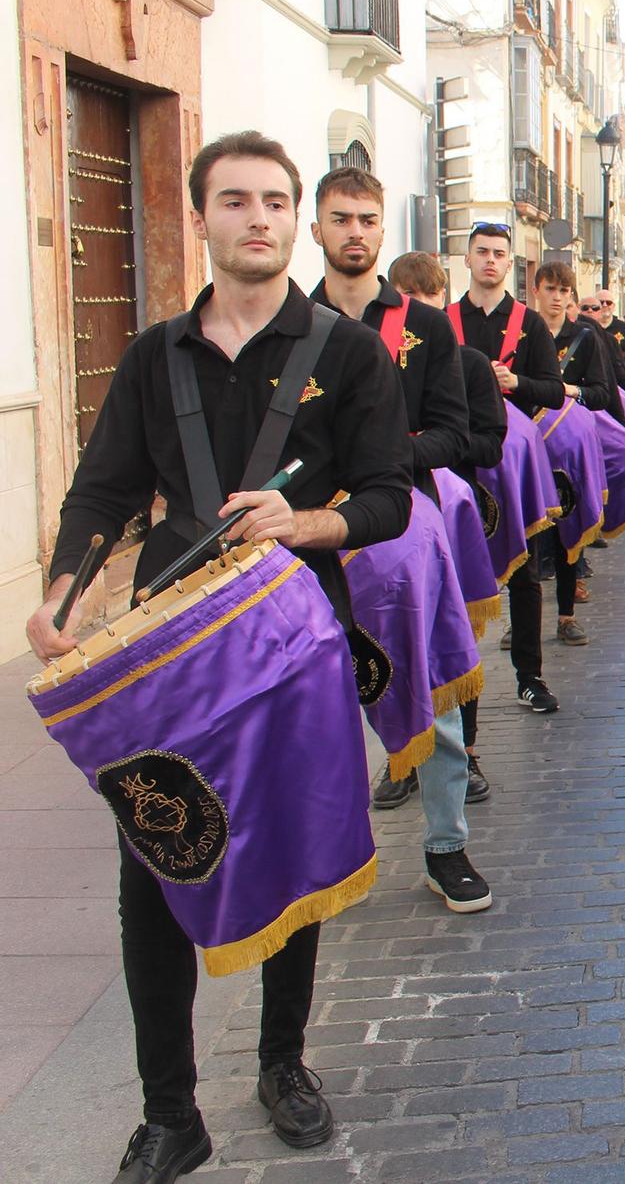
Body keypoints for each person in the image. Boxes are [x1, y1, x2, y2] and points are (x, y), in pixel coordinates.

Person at [27, 131, 414, 1181]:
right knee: (153, 861)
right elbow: (104, 488)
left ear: (294, 219)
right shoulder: (155, 355)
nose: (258, 217)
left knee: (290, 849)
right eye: (234, 199)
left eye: (275, 201)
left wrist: (304, 521)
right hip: (168, 652)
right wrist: (60, 593)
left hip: (292, 643)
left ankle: (283, 1061)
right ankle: (169, 1109)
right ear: (200, 217)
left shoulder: (349, 353)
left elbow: (389, 495)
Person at [305, 169, 490, 914]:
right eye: (340, 218)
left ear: (384, 232)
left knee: (432, 686)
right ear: (316, 229)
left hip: (402, 531)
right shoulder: (288, 326)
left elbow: (455, 431)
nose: (355, 231)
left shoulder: (425, 327)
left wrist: (385, 460)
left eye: (368, 219)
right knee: (313, 702)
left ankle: (446, 847)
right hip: (308, 539)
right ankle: (324, 856)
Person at [390, 249, 505, 804]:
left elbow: (485, 440)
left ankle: (467, 753)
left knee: (451, 641)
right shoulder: (374, 358)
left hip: (447, 514)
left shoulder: (471, 365)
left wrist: (425, 450)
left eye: (427, 303)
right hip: (384, 523)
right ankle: (400, 757)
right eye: (405, 303)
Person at [449, 221, 566, 714]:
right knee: (457, 580)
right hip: (460, 464)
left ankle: (530, 676)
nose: (491, 260)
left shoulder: (530, 323)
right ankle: (460, 688)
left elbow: (554, 391)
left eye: (499, 252)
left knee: (525, 574)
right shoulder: (443, 320)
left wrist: (514, 380)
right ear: (469, 258)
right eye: (482, 252)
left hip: (515, 464)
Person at [525, 261, 608, 646]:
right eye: (550, 289)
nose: (557, 297)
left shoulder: (585, 337)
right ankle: (520, 622)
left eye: (564, 291)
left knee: (566, 534)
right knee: (526, 535)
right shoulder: (522, 331)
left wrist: (567, 391)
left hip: (568, 447)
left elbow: (601, 393)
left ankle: (566, 616)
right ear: (536, 290)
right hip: (530, 446)